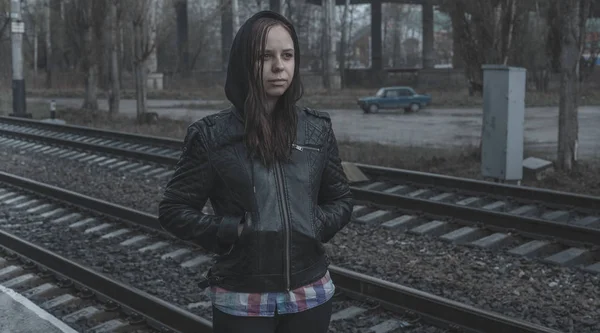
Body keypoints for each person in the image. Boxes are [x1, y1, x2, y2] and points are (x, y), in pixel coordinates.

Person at [158, 10, 353, 333]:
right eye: (265, 56)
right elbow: (173, 210)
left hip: (310, 293)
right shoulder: (211, 136)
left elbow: (341, 199)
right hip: (242, 297)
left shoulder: (315, 130)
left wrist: (314, 223)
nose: (279, 66)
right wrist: (228, 229)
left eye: (287, 55)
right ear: (244, 63)